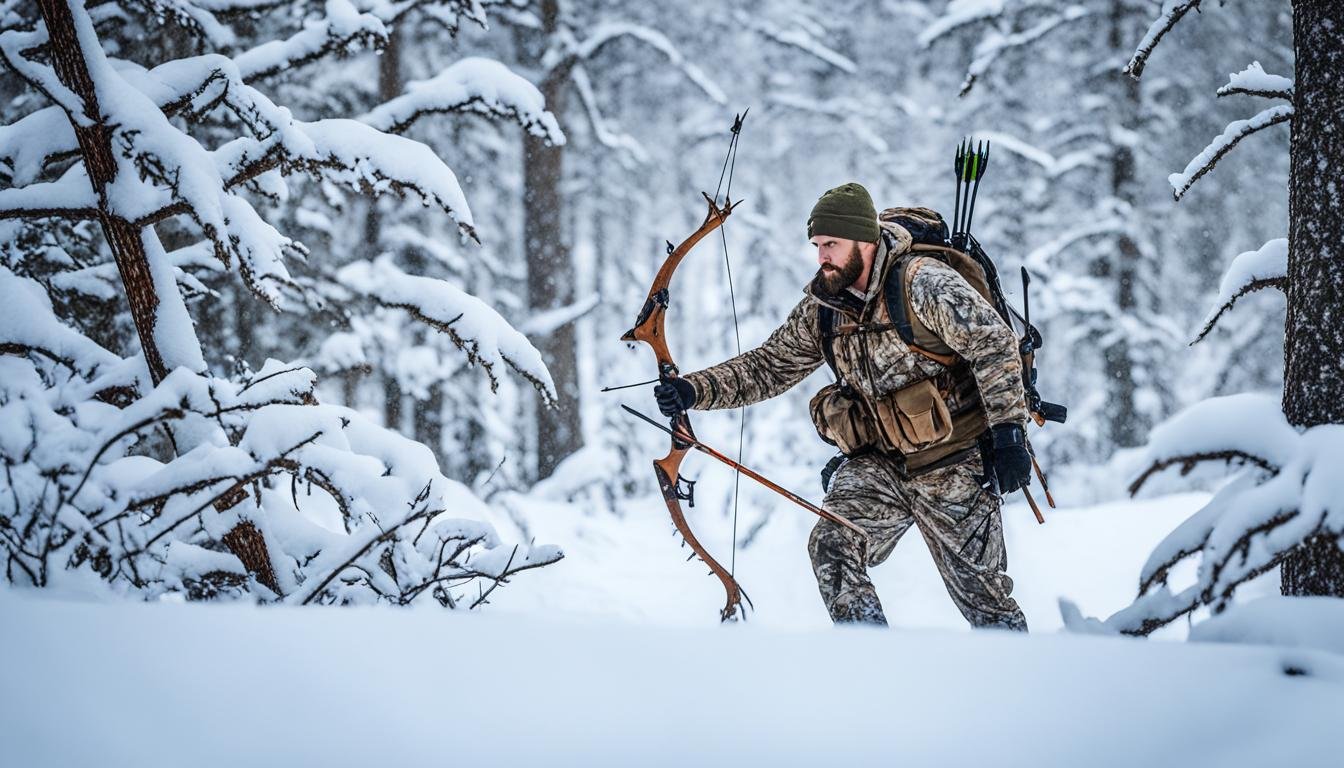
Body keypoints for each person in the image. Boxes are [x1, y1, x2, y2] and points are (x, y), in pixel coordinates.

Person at [654, 182, 1031, 630]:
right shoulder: (824, 306)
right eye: (816, 245)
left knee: (988, 610)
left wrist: (1009, 434)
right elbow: (770, 366)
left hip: (953, 461)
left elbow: (992, 342)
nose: (822, 257)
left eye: (830, 244)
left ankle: (1017, 682)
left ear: (865, 240)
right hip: (877, 465)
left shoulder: (923, 283)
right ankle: (869, 662)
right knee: (832, 544)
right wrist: (694, 391)